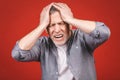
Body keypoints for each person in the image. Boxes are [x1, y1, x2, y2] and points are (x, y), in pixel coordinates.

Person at [12, 2, 110, 80]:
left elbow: (104, 32)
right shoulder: (43, 45)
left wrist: (70, 19)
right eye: (52, 25)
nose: (57, 30)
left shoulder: (82, 37)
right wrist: (42, 25)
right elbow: (17, 54)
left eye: (61, 23)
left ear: (69, 25)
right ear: (47, 29)